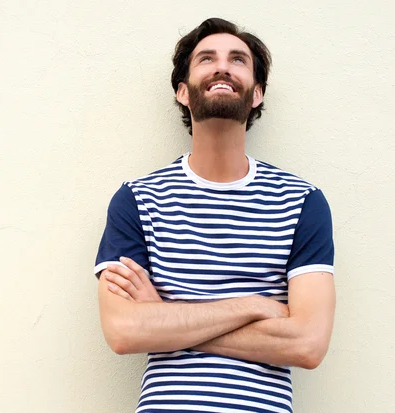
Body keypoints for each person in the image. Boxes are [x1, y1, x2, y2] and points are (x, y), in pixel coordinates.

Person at [93, 18, 335, 413]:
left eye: (238, 60)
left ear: (256, 93)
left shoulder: (302, 201)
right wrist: (255, 306)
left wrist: (164, 320)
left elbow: (307, 344)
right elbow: (122, 331)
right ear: (183, 92)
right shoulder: (137, 199)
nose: (222, 67)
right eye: (207, 58)